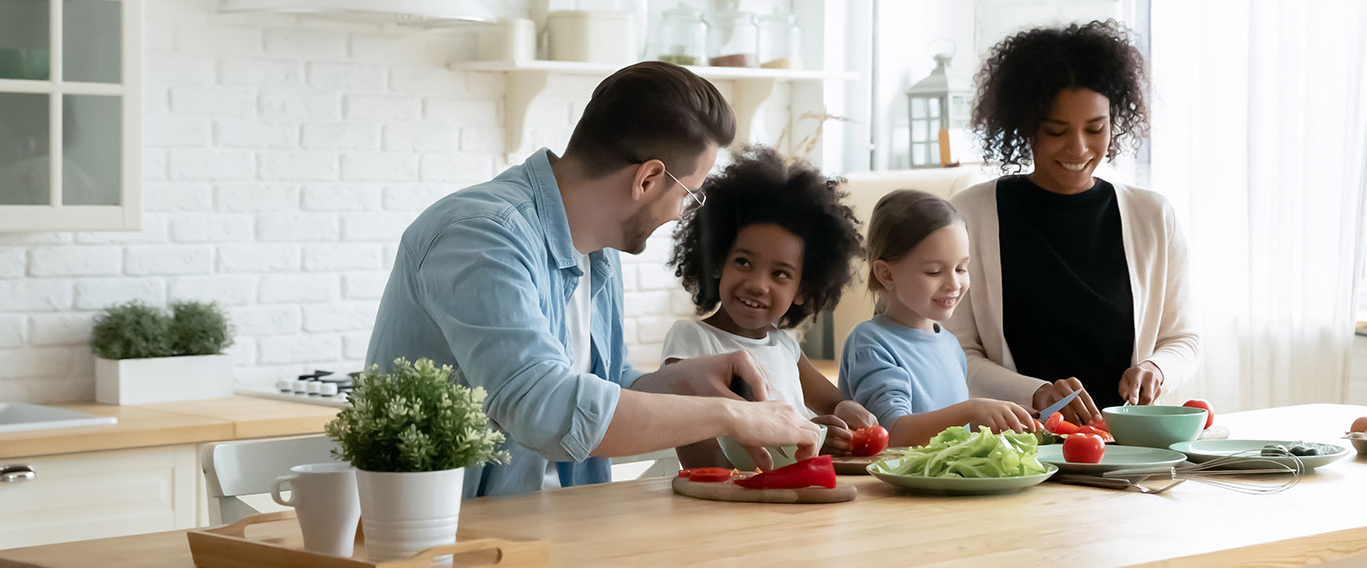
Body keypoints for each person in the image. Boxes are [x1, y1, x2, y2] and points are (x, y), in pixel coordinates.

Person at [365, 62, 820, 497]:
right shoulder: (481, 235)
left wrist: (685, 380)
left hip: (565, 519)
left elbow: (602, 385)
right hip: (454, 535)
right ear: (647, 179)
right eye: (689, 194)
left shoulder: (597, 251)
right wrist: (726, 416)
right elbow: (543, 408)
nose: (682, 212)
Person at [948, 20, 1201, 425]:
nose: (1079, 147)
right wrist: (1036, 391)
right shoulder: (969, 215)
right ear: (1026, 127)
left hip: (1122, 441)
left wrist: (1157, 369)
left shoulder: (1153, 216)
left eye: (1095, 129)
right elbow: (953, 352)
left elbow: (1182, 339)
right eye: (1056, 131)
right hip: (1018, 444)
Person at [659, 146, 877, 467]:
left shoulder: (785, 346)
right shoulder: (692, 340)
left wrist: (847, 413)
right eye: (744, 262)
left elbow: (834, 404)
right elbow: (704, 463)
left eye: (780, 274)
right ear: (718, 261)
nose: (758, 284)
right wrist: (808, 440)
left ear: (802, 290)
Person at [840, 190, 1039, 446]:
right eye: (934, 271)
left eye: (961, 268)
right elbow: (893, 433)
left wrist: (1000, 420)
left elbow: (950, 430)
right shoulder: (870, 343)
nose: (953, 284)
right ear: (887, 275)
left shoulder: (950, 344)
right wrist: (971, 410)